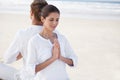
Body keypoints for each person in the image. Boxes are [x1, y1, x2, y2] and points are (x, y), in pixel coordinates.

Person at [0, 0, 49, 80]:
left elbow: (7, 59)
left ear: (31, 14)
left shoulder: (23, 33)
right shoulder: (55, 34)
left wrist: (22, 52)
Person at [26, 5, 77, 80]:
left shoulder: (62, 39)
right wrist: (53, 58)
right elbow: (30, 69)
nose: (55, 23)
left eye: (57, 20)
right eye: (51, 19)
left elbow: (74, 60)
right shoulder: (34, 41)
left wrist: (60, 57)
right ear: (43, 19)